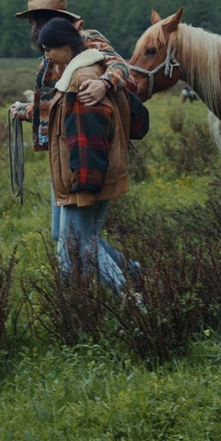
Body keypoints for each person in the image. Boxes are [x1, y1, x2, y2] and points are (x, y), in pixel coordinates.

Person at [10, 0, 146, 276]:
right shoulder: (49, 57)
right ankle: (133, 275)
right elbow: (52, 109)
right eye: (34, 21)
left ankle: (125, 288)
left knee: (79, 239)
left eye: (41, 19)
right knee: (68, 237)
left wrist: (105, 84)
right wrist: (22, 111)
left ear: (58, 19)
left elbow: (122, 68)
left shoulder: (88, 42)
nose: (36, 27)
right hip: (62, 154)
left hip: (84, 153)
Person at [38, 16, 139, 291]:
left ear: (66, 45)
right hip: (78, 172)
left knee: (80, 244)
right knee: (80, 241)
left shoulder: (81, 78)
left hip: (81, 174)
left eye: (49, 49)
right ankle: (129, 281)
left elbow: (88, 136)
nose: (46, 55)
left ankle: (126, 295)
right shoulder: (75, 71)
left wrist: (83, 183)